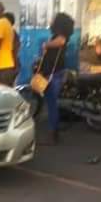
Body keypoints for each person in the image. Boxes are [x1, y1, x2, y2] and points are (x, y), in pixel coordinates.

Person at [39, 11, 74, 144]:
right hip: (55, 72)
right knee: (52, 103)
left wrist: (47, 45)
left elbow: (60, 41)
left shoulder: (61, 36)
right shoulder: (60, 35)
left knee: (52, 104)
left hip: (53, 73)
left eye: (54, 19)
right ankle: (54, 133)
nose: (51, 20)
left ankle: (53, 135)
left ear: (59, 23)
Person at [3, 11, 21, 78]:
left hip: (10, 65)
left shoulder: (12, 33)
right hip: (11, 64)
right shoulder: (10, 32)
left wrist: (15, 66)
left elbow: (14, 51)